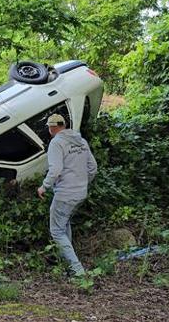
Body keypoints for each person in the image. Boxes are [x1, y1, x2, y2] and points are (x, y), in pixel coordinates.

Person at [37, 113, 97, 276]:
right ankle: (67, 263)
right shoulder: (81, 141)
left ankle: (77, 270)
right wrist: (82, 184)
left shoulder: (57, 143)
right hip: (80, 192)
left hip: (65, 194)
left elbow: (55, 170)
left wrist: (44, 186)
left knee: (56, 230)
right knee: (64, 223)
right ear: (64, 125)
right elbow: (93, 168)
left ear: (52, 128)